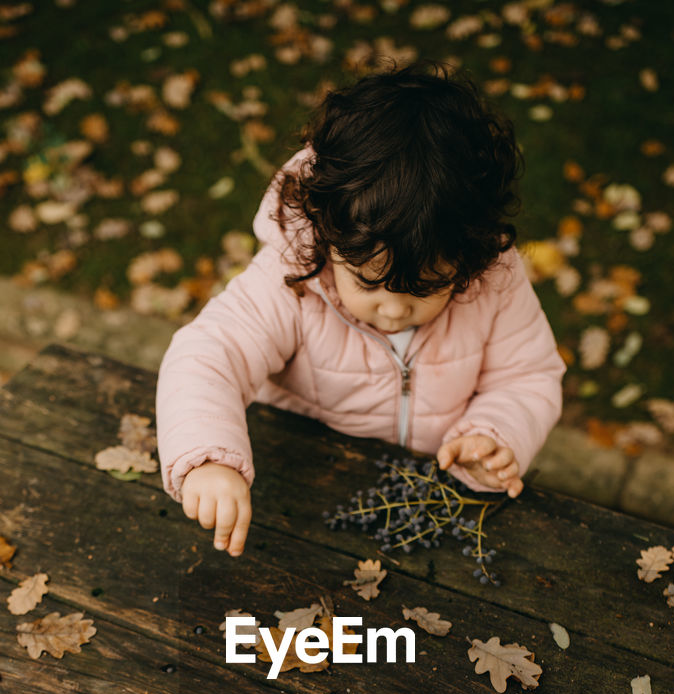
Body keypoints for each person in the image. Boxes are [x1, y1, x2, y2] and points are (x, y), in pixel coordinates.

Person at [156, 62, 565, 557]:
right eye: (368, 284)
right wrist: (209, 457)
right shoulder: (292, 278)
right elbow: (207, 353)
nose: (393, 312)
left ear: (471, 255)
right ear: (329, 239)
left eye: (425, 290)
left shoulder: (494, 283)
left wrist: (494, 435)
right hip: (301, 484)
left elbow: (528, 377)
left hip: (421, 500)